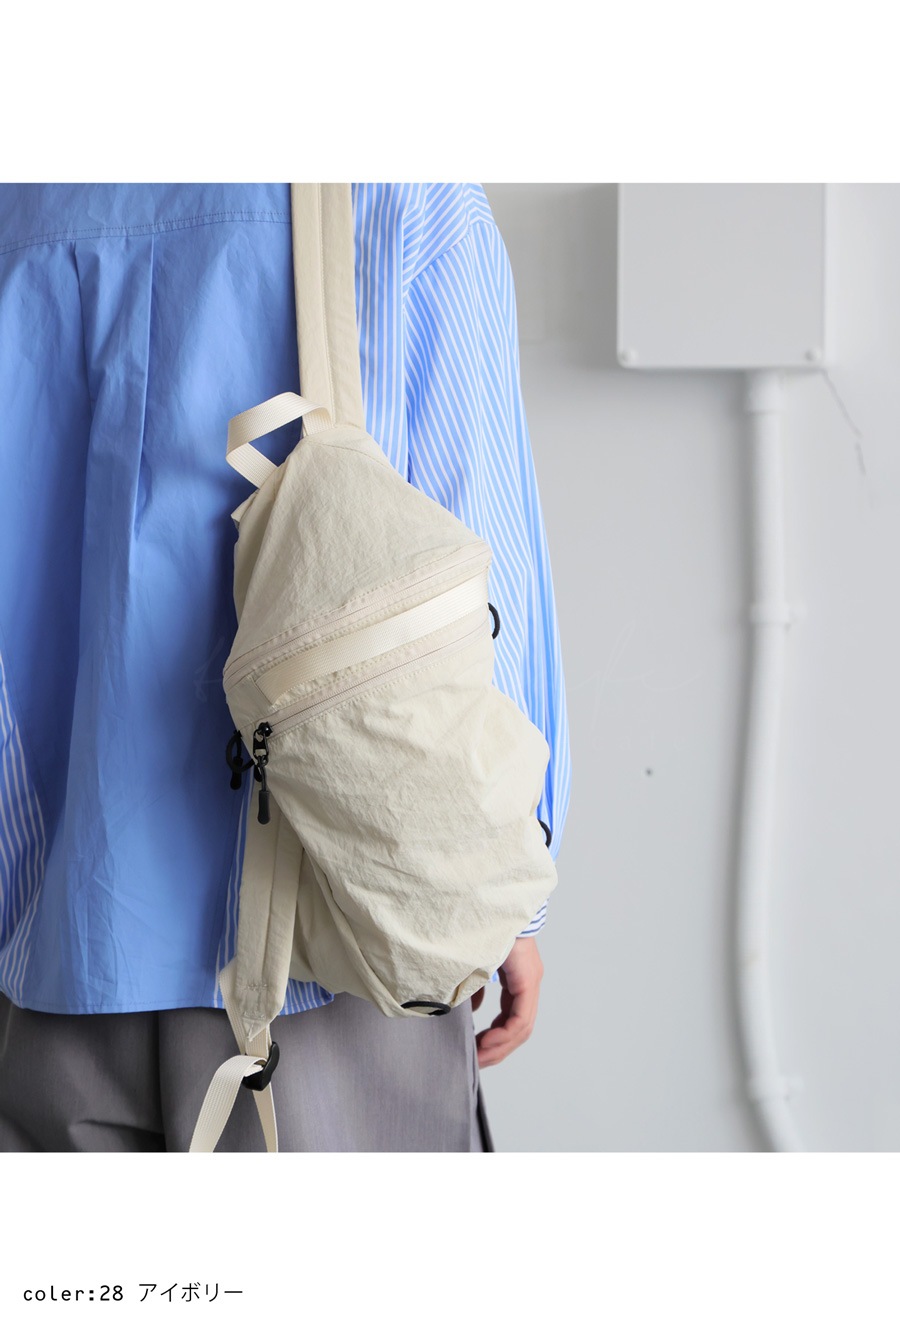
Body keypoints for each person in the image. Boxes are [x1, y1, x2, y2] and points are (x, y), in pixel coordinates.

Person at [0, 183, 571, 1152]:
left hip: (56, 951)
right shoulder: (406, 192)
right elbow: (478, 572)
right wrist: (508, 897)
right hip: (341, 948)